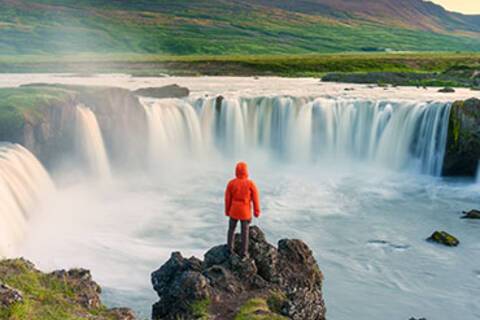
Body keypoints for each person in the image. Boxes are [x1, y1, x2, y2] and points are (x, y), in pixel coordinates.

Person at [225, 162, 260, 258]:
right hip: (245, 212)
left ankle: (229, 249)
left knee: (231, 230)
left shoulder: (231, 183)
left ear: (236, 171)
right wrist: (256, 211)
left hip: (234, 210)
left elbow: (227, 199)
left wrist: (227, 211)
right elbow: (255, 198)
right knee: (245, 233)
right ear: (246, 171)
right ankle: (244, 252)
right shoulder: (250, 184)